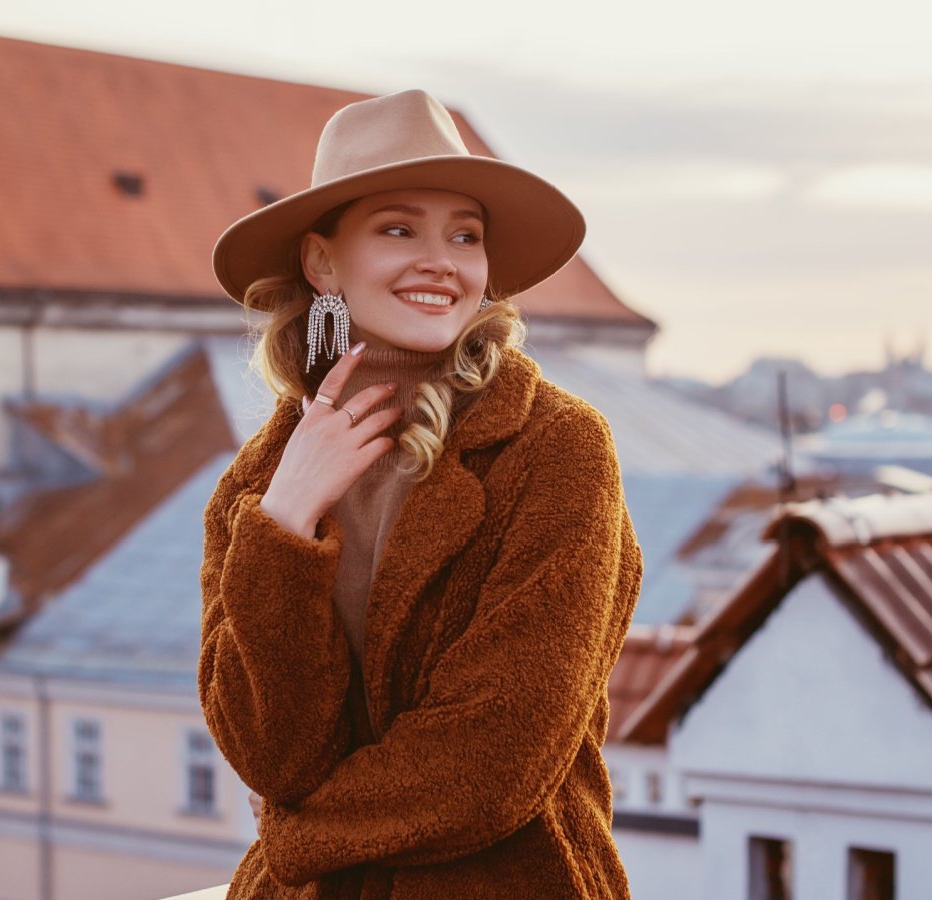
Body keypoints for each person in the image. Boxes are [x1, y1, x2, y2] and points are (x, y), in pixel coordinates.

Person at [200, 89, 644, 898]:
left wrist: (299, 840)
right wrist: (284, 524)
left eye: (465, 235)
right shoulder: (260, 480)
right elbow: (270, 753)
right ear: (323, 262)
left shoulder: (555, 447)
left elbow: (497, 755)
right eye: (399, 228)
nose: (442, 259)